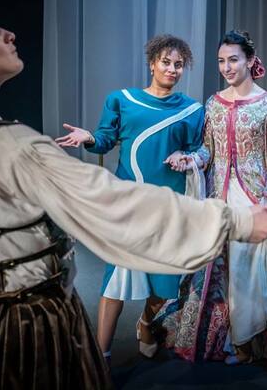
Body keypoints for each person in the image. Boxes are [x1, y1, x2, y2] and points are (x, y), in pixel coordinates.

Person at [0, 0, 267, 389]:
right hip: (11, 324)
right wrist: (234, 220)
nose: (8, 33)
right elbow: (112, 204)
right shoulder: (10, 146)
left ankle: (149, 326)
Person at [155, 30, 267, 366]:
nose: (227, 67)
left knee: (255, 274)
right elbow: (208, 151)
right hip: (220, 200)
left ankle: (263, 342)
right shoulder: (214, 104)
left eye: (233, 59)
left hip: (255, 201)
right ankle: (235, 341)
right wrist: (190, 159)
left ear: (250, 61)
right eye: (221, 61)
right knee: (224, 274)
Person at [55, 35, 204, 362]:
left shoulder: (193, 110)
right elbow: (105, 139)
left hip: (169, 206)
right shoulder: (121, 100)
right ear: (152, 63)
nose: (172, 69)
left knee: (166, 285)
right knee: (116, 282)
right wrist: (90, 137)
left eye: (178, 65)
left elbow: (197, 151)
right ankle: (100, 357)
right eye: (166, 62)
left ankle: (147, 323)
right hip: (131, 205)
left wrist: (188, 157)